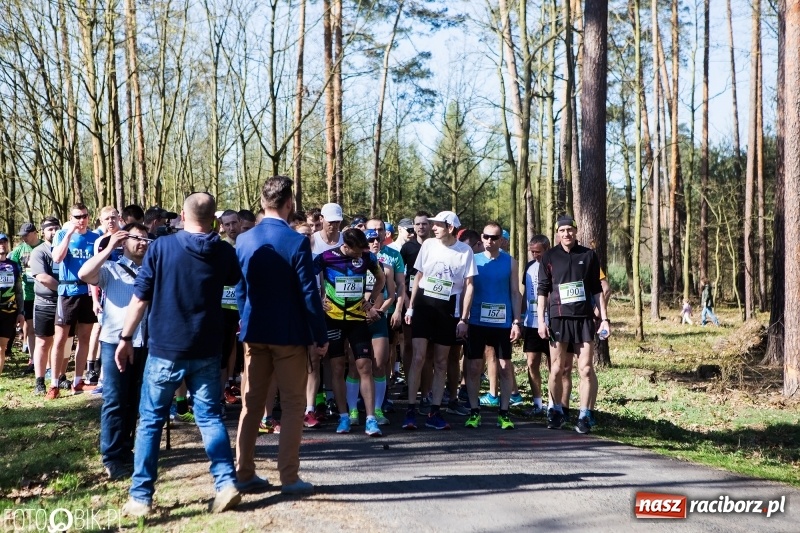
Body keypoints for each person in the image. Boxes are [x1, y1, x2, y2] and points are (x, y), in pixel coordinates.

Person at [116, 192, 242, 517]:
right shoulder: (224, 251)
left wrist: (125, 337)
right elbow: (232, 277)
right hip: (206, 347)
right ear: (214, 221)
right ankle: (226, 482)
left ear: (183, 218)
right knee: (210, 417)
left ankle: (141, 497)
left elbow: (140, 298)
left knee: (150, 421)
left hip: (165, 348)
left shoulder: (160, 247)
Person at [234, 176, 329, 496]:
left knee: (251, 404)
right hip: (288, 334)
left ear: (263, 203)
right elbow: (308, 293)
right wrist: (320, 333)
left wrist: (244, 324)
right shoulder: (296, 241)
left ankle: (244, 471)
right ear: (289, 204)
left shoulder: (244, 240)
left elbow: (240, 290)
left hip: (254, 331)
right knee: (291, 405)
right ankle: (289, 476)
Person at [78, 223, 150, 480]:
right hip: (114, 342)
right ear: (124, 241)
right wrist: (109, 247)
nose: (142, 242)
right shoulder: (110, 268)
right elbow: (85, 274)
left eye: (146, 238)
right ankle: (111, 456)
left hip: (144, 342)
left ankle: (126, 450)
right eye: (136, 238)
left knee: (134, 399)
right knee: (114, 399)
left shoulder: (151, 271)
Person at [403, 211, 477, 431]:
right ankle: (410, 410)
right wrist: (411, 307)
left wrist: (464, 318)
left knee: (441, 361)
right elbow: (418, 276)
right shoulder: (428, 245)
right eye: (432, 224)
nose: (433, 228)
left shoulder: (465, 251)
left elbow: (469, 285)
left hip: (448, 308)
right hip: (425, 304)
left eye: (438, 225)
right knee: (418, 357)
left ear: (451, 228)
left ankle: (435, 411)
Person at [537, 215, 609, 435]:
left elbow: (597, 290)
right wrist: (541, 320)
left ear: (576, 231)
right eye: (562, 230)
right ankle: (555, 409)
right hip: (558, 318)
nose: (566, 234)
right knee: (557, 368)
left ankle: (585, 414)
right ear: (557, 234)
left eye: (570, 230)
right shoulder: (549, 256)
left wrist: (604, 318)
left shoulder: (588, 255)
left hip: (584, 319)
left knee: (586, 369)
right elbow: (542, 291)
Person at [314, 228, 386, 437]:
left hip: (357, 319)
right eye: (356, 251)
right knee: (337, 368)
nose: (359, 254)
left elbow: (380, 279)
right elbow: (307, 277)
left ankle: (371, 419)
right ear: (345, 245)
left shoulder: (367, 257)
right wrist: (318, 300)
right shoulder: (326, 257)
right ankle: (344, 416)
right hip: (333, 319)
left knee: (365, 366)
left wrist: (371, 301)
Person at [463, 222, 522, 430]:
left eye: (494, 237)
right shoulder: (473, 260)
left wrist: (516, 321)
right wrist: (463, 318)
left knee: (505, 367)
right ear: (482, 237)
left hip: (503, 323)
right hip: (477, 321)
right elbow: (466, 290)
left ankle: (504, 413)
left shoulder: (511, 262)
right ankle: (474, 411)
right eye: (486, 237)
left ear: (501, 240)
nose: (490, 241)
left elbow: (515, 292)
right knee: (473, 367)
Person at [52, 203, 100, 394]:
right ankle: (54, 383)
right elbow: (57, 258)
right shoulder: (62, 235)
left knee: (85, 337)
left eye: (84, 216)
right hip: (67, 292)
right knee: (61, 339)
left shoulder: (95, 238)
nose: (81, 220)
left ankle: (78, 380)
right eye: (77, 217)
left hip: (87, 292)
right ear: (71, 218)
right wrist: (69, 234)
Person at [28, 218, 62, 396]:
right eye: (49, 229)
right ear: (43, 232)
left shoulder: (65, 249)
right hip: (45, 303)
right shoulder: (38, 252)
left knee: (63, 341)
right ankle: (39, 381)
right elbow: (42, 277)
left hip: (64, 303)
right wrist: (64, 288)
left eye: (56, 228)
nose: (54, 231)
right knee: (43, 342)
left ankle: (60, 377)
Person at [521, 235, 551, 417]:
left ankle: (553, 404)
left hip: (552, 322)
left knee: (554, 366)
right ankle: (537, 403)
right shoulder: (529, 267)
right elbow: (526, 294)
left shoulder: (554, 265)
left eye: (538, 252)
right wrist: (520, 318)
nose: (534, 255)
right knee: (532, 363)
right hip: (531, 323)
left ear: (547, 249)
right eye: (532, 252)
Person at [9, 223, 41, 364]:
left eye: (26, 235)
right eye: (22, 235)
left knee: (46, 331)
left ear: (35, 232)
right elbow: (9, 264)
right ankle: (33, 360)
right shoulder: (19, 250)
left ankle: (45, 361)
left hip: (45, 294)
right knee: (31, 328)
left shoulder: (44, 247)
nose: (24, 238)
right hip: (28, 295)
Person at [0, 233, 25, 376]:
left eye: (4, 241)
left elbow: (19, 291)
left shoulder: (14, 266)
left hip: (9, 311)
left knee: (1, 347)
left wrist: (21, 312)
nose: (2, 244)